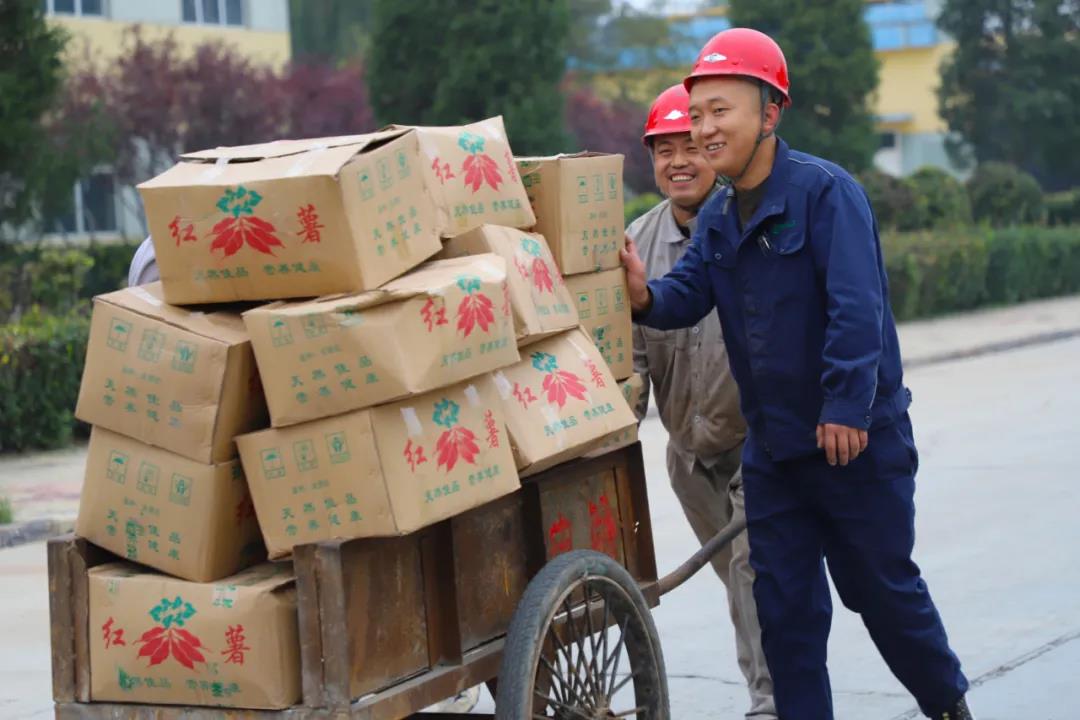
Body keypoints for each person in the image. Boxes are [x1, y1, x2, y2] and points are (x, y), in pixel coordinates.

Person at [621, 28, 974, 720]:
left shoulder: (826, 194)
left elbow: (856, 307)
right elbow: (687, 293)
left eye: (721, 110)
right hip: (776, 451)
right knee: (784, 615)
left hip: (854, 444)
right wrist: (642, 296)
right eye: (697, 114)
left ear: (770, 113)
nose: (705, 128)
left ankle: (948, 705)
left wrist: (845, 404)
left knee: (880, 592)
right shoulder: (720, 214)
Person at [628, 83, 775, 720]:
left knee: (753, 579)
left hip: (754, 448)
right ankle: (783, 676)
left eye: (690, 146)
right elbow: (628, 358)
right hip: (688, 454)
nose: (679, 162)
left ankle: (769, 703)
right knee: (740, 586)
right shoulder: (634, 241)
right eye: (664, 150)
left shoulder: (745, 221)